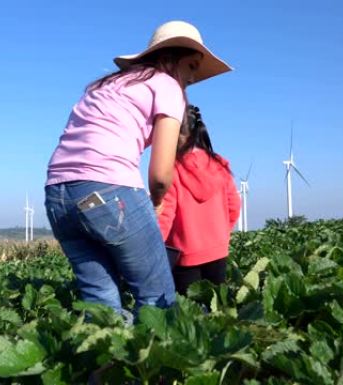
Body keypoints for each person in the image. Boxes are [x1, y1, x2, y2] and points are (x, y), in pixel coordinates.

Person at [44, 20, 232, 316]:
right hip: (108, 189)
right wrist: (155, 201)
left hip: (58, 196)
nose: (193, 78)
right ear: (173, 58)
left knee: (99, 299)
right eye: (193, 67)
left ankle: (106, 361)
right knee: (157, 298)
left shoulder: (108, 85)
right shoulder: (168, 84)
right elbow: (160, 173)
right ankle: (158, 363)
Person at [157, 105, 241, 295]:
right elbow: (234, 205)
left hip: (185, 257)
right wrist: (220, 232)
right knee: (218, 307)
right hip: (219, 251)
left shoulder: (173, 170)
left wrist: (153, 248)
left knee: (191, 314)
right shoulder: (219, 163)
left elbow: (165, 216)